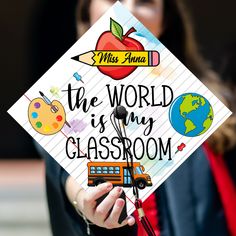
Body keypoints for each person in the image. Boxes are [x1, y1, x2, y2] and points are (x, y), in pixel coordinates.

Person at [36, 0, 236, 235]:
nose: (127, 11)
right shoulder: (62, 104)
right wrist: (84, 199)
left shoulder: (205, 102)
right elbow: (64, 168)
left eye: (144, 1)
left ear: (166, 19)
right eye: (112, 0)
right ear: (87, 13)